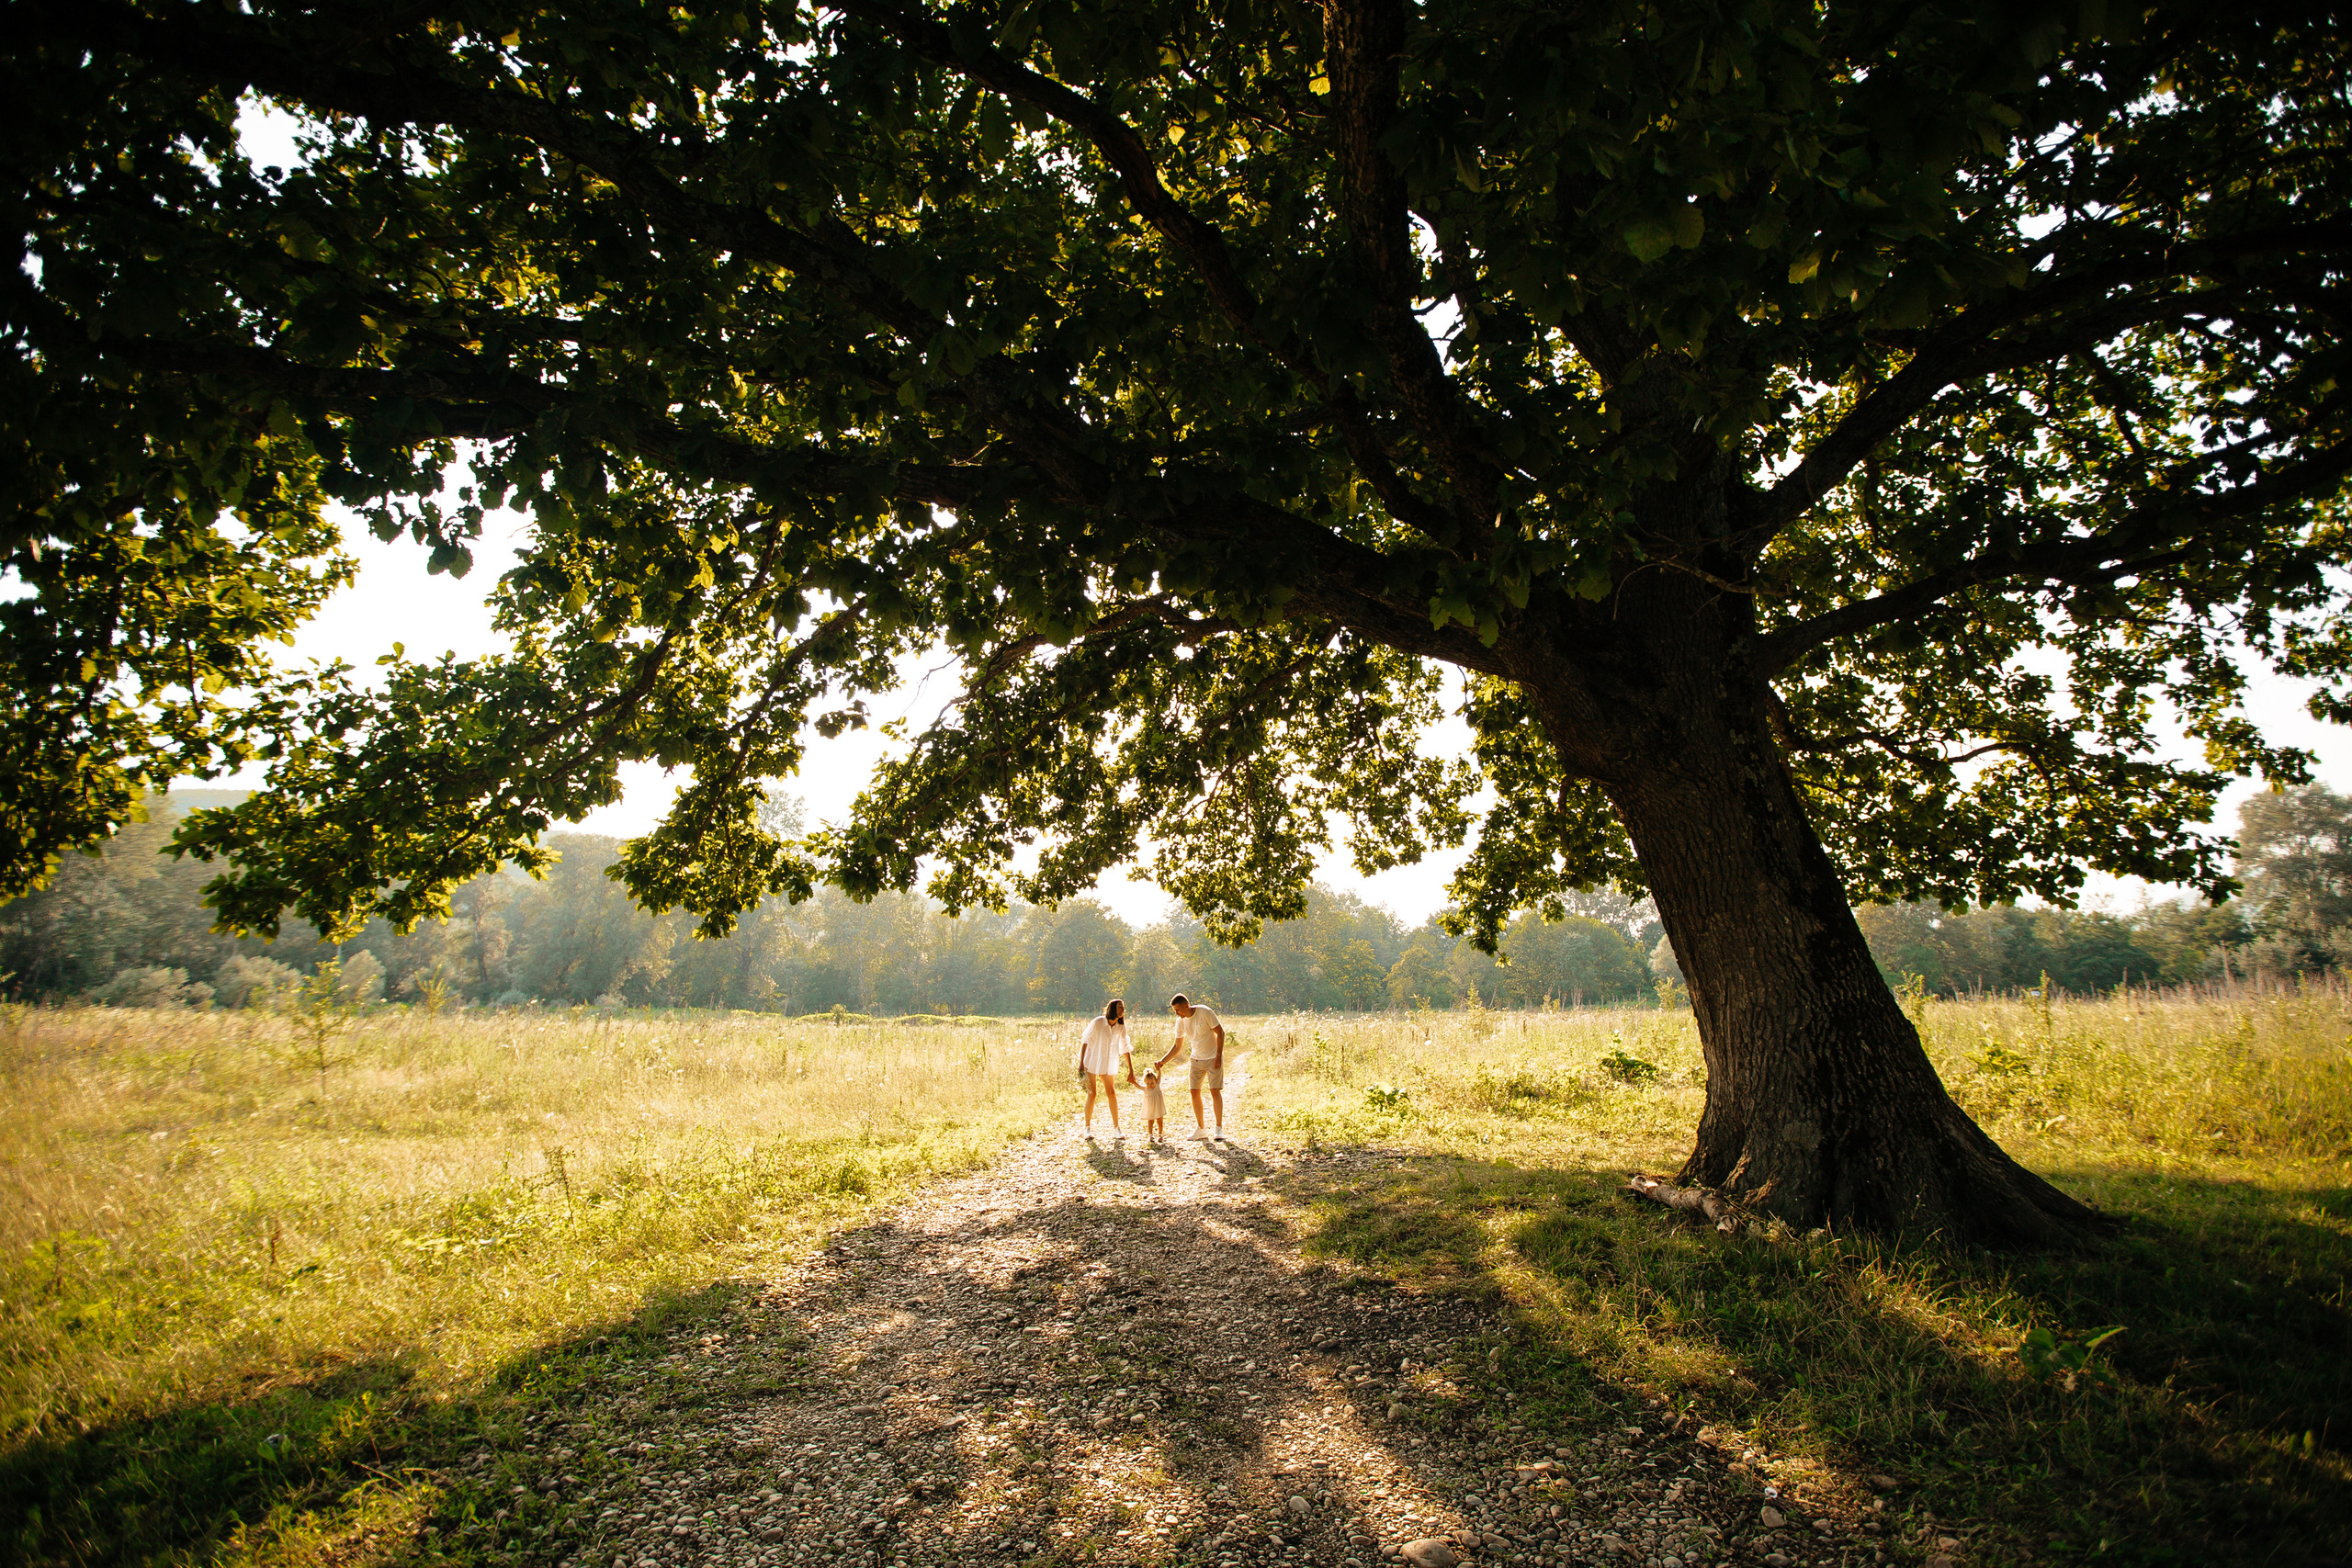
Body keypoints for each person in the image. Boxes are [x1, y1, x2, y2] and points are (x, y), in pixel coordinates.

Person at [1155, 992, 1227, 1140]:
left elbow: (1220, 1032)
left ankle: (1218, 1128)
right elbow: (1177, 1046)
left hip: (1213, 1057)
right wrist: (1163, 1061)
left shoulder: (1205, 1012)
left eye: (1178, 1010)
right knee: (1194, 1092)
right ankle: (1200, 1129)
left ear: (1186, 1006)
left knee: (1214, 1091)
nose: (1177, 1014)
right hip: (1196, 1059)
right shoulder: (1180, 1021)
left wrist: (1218, 1056)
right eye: (1175, 1011)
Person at [1076, 998, 1136, 1137]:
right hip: (1091, 1060)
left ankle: (1116, 1128)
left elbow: (1125, 1048)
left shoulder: (1121, 1026)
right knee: (1092, 1094)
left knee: (1112, 1092)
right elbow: (1085, 1041)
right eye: (1120, 1007)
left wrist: (1131, 1070)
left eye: (1123, 1007)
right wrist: (1081, 1064)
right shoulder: (1098, 1022)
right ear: (1112, 1008)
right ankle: (1087, 1128)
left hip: (1107, 1061)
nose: (1122, 1010)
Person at [1140, 1069, 1167, 1144]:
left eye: (1152, 1083)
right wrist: (1133, 1081)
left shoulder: (1157, 1086)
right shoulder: (1145, 1089)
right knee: (1150, 1121)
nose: (1150, 1085)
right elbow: (1137, 1086)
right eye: (1148, 1083)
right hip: (1150, 1108)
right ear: (1145, 1083)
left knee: (1160, 1120)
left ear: (1155, 1081)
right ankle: (1150, 1135)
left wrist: (1159, 1070)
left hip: (1158, 1107)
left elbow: (1159, 1077)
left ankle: (1160, 1134)